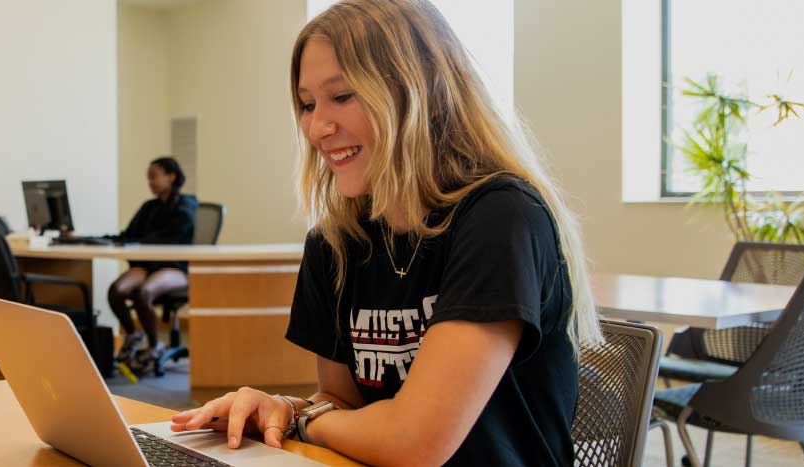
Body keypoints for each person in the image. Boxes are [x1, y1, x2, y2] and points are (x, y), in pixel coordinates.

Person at [167, 1, 602, 465]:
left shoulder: (501, 217)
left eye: (343, 96)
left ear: (421, 91)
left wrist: (301, 419)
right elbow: (343, 404)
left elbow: (415, 443)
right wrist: (282, 409)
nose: (318, 127)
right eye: (308, 104)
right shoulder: (335, 241)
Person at [107, 157, 197, 371]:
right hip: (148, 265)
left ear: (171, 176)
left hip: (175, 267)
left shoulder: (187, 204)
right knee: (116, 291)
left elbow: (172, 237)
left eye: (153, 176)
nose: (150, 182)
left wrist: (139, 242)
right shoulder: (149, 207)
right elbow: (129, 235)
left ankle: (155, 345)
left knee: (144, 292)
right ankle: (133, 334)